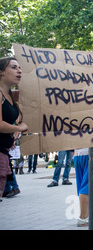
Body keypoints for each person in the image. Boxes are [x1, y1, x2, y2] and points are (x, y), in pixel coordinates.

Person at [0, 57, 28, 202]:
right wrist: (18, 128)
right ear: (1, 72)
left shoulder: (10, 95)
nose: (19, 71)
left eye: (20, 67)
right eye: (13, 67)